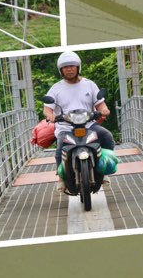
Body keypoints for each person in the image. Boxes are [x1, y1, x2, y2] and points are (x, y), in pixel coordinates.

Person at [44, 50, 115, 192]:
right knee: (60, 148)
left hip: (88, 124)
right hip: (65, 127)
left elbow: (100, 104)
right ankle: (61, 177)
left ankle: (105, 168)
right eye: (65, 67)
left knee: (107, 136)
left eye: (72, 66)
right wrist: (50, 115)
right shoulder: (56, 88)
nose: (69, 69)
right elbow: (47, 108)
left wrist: (104, 109)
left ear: (78, 67)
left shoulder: (89, 85)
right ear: (61, 70)